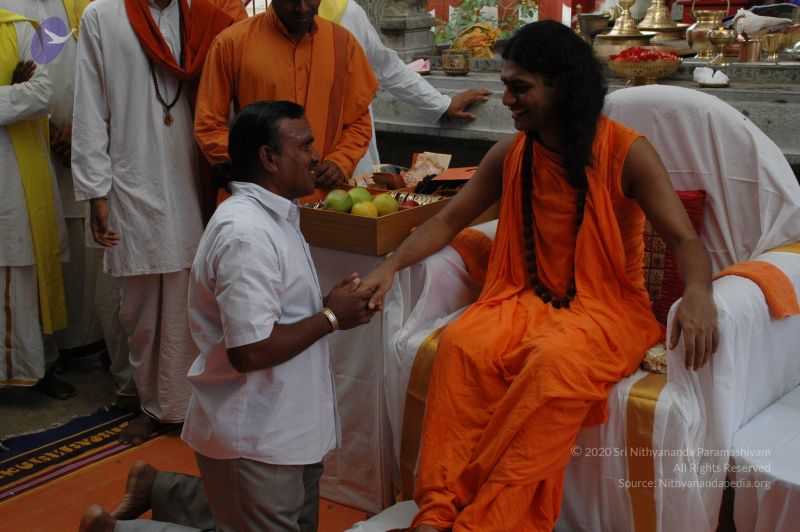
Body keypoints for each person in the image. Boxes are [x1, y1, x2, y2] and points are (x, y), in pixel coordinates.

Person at [361, 21, 719, 531]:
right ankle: (437, 511)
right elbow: (447, 219)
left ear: (562, 84)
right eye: (506, 86)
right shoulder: (513, 152)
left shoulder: (626, 151)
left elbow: (684, 240)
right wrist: (389, 265)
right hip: (521, 299)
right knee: (462, 346)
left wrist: (700, 292)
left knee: (553, 364)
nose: (507, 100)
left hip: (607, 311)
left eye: (519, 87)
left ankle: (487, 521)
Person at [79, 100, 377, 532]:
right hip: (257, 434)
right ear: (269, 157)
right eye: (304, 145)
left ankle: (153, 494)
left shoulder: (277, 216)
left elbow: (275, 313)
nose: (316, 157)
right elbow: (249, 351)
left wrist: (326, 304)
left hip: (288, 426)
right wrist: (331, 316)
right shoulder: (246, 234)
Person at [71, 0, 236, 445]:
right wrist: (95, 191)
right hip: (131, 177)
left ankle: (185, 404)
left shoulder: (204, 17)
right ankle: (151, 403)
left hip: (192, 179)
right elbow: (90, 107)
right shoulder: (102, 15)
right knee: (139, 308)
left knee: (192, 300)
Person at [193, 0, 378, 189]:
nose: (302, 8)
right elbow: (208, 125)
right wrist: (251, 166)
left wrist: (341, 161)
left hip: (324, 194)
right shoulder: (232, 42)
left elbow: (358, 119)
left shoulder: (342, 43)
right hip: (258, 193)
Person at [317, 0, 492, 177]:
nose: (303, 8)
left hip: (349, 159)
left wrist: (442, 104)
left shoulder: (347, 13)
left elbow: (387, 67)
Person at [1, 7, 72, 395]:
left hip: (15, 175)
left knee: (22, 269)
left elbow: (42, 93)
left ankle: (34, 368)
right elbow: (25, 98)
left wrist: (17, 95)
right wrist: (13, 95)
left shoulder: (18, 28)